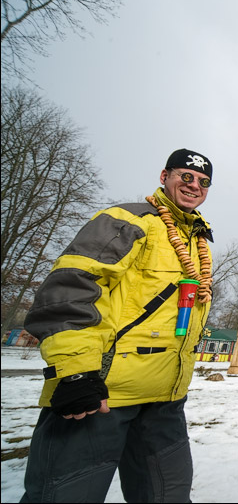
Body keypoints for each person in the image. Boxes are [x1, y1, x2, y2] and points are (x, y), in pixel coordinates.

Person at [20, 149, 215, 503]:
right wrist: (76, 373)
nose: (193, 186)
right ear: (164, 176)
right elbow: (70, 288)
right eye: (185, 176)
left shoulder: (198, 240)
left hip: (163, 405)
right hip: (98, 398)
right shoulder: (127, 220)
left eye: (203, 182)